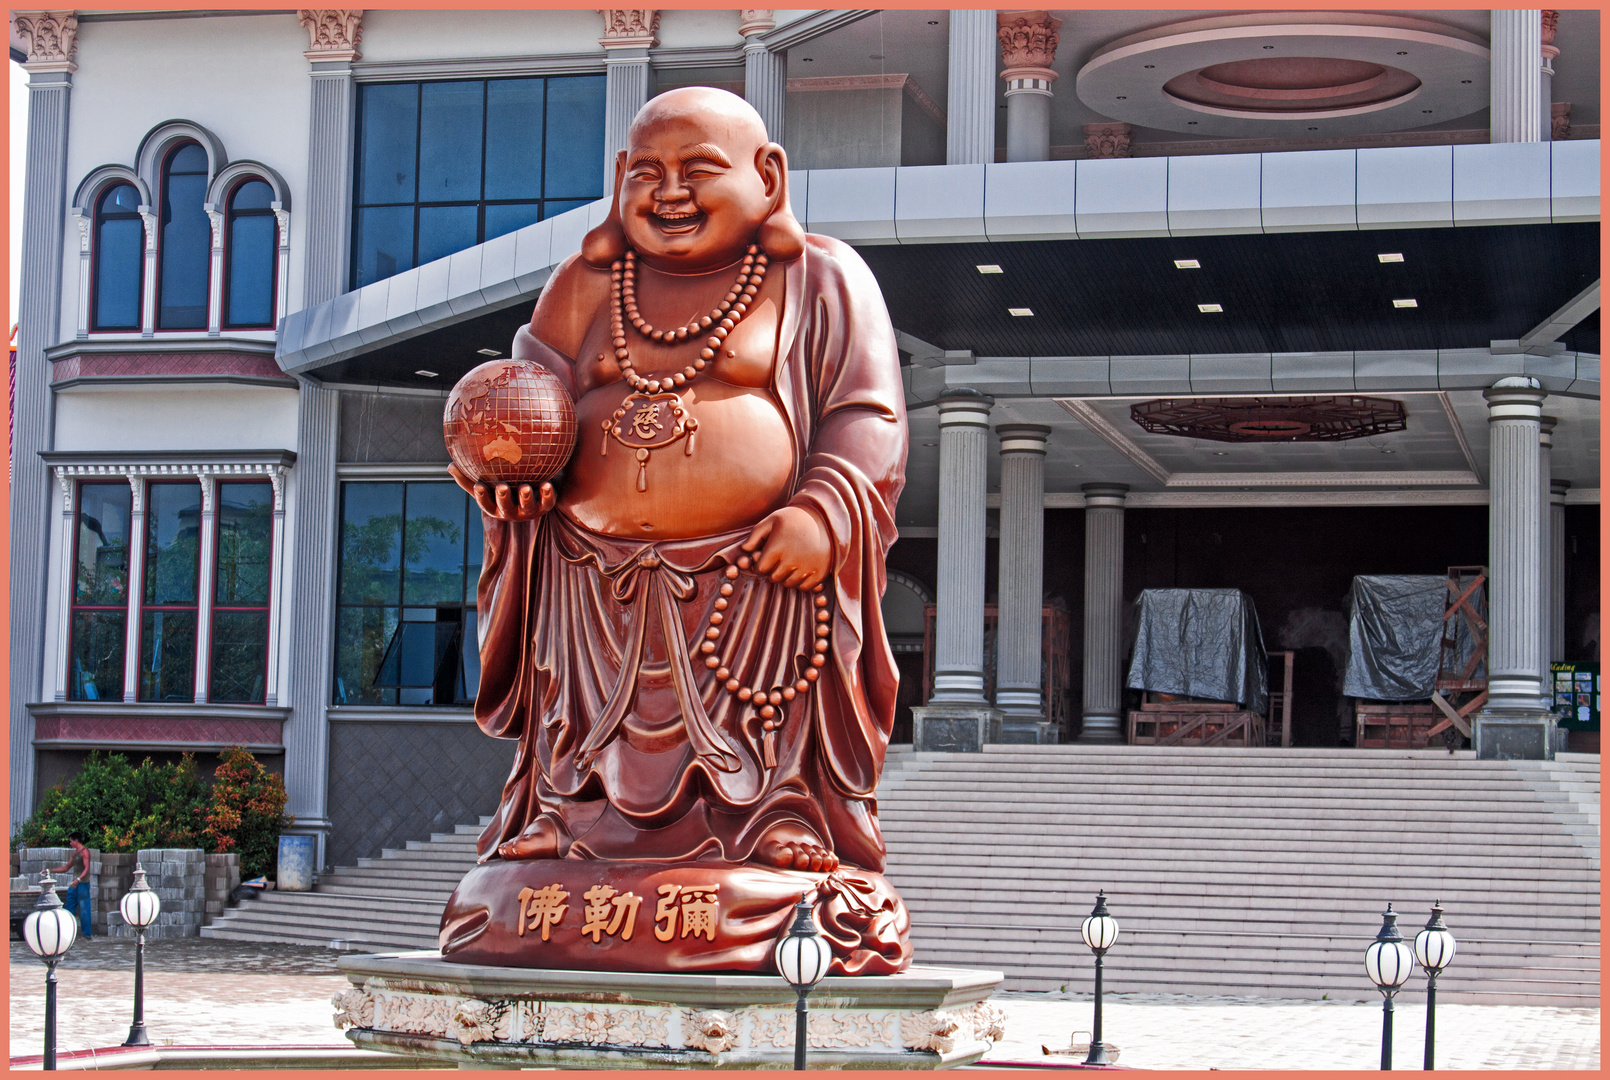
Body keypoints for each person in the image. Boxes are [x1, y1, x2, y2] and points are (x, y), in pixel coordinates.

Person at [449, 88, 907, 911]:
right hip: (590, 572)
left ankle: (775, 811)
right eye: (648, 173)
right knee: (583, 703)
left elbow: (867, 414)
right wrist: (502, 475)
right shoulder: (586, 283)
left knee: (763, 689)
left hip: (755, 572)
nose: (670, 193)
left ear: (768, 176)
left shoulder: (819, 277)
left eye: (699, 170)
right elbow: (525, 396)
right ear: (620, 178)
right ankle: (570, 811)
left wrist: (822, 512)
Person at [52, 835, 93, 938]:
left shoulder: (85, 852)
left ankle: (87, 934)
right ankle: (66, 933)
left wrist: (78, 879)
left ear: (76, 840)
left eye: (71, 841)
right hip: (74, 885)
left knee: (84, 910)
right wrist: (51, 871)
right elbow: (66, 867)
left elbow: (87, 868)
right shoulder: (75, 854)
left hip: (82, 884)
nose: (70, 844)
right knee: (68, 908)